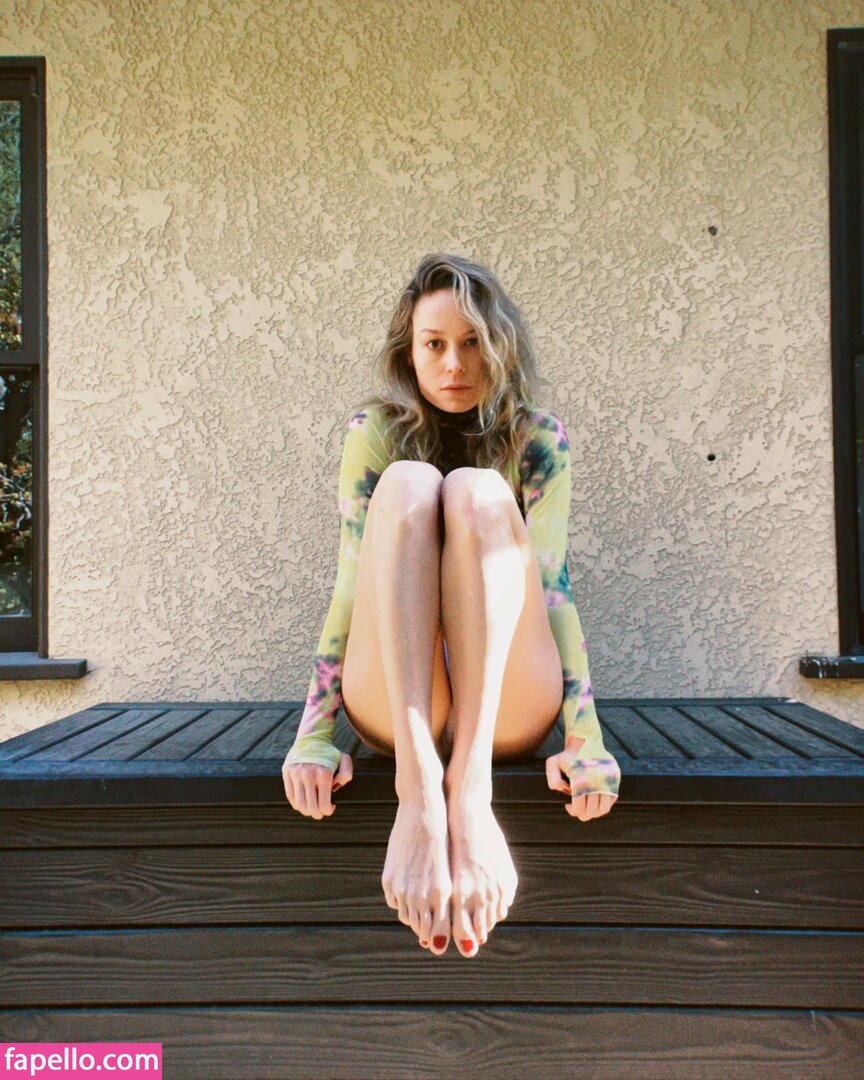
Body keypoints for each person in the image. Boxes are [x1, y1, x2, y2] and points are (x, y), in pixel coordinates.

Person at [281, 253, 621, 960]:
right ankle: (418, 795)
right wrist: (314, 734)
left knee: (475, 491)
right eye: (434, 344)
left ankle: (469, 793)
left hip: (501, 710)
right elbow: (350, 584)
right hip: (399, 703)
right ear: (409, 351)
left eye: (472, 342)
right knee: (409, 484)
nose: (454, 364)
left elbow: (553, 591)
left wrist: (584, 738)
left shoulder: (538, 438)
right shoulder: (375, 432)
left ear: (499, 348)